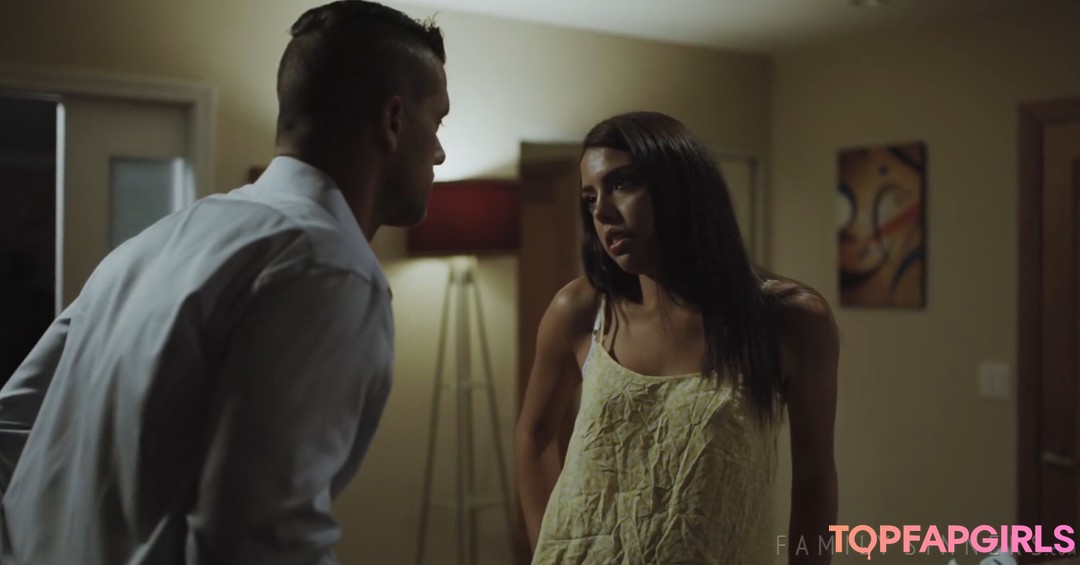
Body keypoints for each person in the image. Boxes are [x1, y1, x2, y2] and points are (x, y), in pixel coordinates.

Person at [0, 1, 448, 563]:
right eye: (437, 121)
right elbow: (260, 541)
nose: (440, 151)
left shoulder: (150, 245)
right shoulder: (325, 267)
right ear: (393, 120)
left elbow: (10, 431)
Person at [516, 112, 838, 564]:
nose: (602, 213)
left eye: (622, 183)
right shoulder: (582, 310)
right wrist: (549, 549)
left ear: (680, 187)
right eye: (590, 198)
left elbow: (813, 481)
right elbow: (534, 434)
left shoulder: (789, 319)